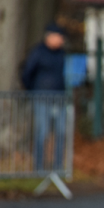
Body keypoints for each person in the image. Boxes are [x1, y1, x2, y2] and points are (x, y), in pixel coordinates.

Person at [22, 22, 67, 171]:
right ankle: (39, 166)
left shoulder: (61, 54)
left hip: (59, 98)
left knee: (61, 132)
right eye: (59, 37)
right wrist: (33, 90)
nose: (62, 40)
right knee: (43, 131)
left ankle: (58, 166)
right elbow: (27, 73)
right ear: (50, 37)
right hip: (41, 98)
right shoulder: (38, 52)